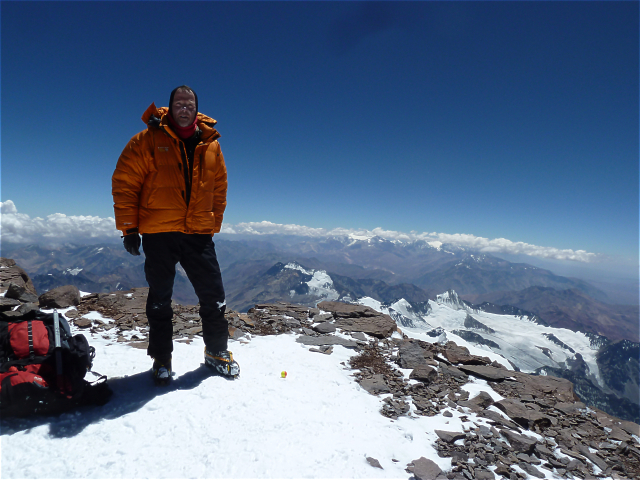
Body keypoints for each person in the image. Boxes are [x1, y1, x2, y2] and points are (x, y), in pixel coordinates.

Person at [112, 85, 239, 384]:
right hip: (159, 233)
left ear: (197, 109)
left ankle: (217, 352)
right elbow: (125, 183)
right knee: (159, 298)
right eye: (179, 104)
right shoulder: (147, 140)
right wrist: (129, 229)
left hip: (198, 233)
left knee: (214, 296)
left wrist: (211, 223)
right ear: (170, 108)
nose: (184, 108)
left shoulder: (211, 145)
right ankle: (161, 360)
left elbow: (219, 189)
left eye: (189, 104)